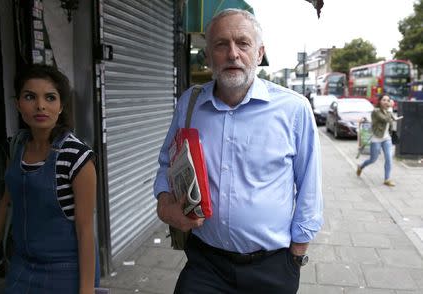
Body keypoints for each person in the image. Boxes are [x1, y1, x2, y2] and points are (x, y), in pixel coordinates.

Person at [154, 8, 323, 294]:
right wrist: (165, 202)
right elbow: (166, 163)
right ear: (207, 56)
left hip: (271, 268)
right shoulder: (189, 104)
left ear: (259, 54)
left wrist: (297, 252)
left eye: (243, 43)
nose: (233, 53)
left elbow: (309, 184)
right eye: (221, 44)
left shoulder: (294, 109)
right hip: (205, 263)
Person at [0, 64, 100, 293]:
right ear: (18, 104)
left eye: (50, 97)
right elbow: (6, 203)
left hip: (65, 271)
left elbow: (85, 231)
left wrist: (86, 290)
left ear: (61, 106)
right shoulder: (17, 146)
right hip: (21, 266)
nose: (40, 105)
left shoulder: (77, 157)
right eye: (30, 96)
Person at [356, 94, 402, 186]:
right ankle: (361, 166)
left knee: (389, 158)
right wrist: (390, 109)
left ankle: (387, 179)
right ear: (380, 101)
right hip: (376, 139)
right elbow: (385, 119)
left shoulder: (387, 111)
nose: (386, 102)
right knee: (373, 159)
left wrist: (395, 118)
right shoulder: (376, 111)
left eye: (388, 100)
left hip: (386, 138)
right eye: (384, 100)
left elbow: (390, 120)